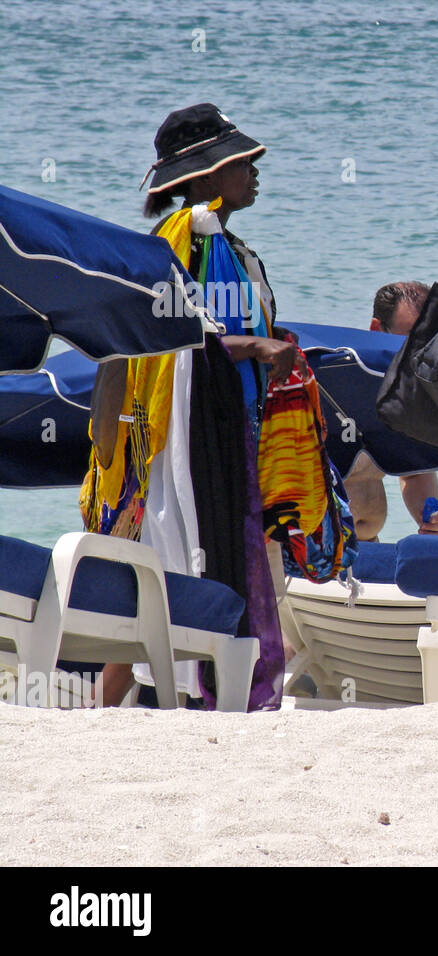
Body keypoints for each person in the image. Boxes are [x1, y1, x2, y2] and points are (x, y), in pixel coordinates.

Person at [84, 103, 299, 709]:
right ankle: (188, 701)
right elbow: (175, 339)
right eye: (242, 162)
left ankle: (137, 707)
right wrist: (255, 345)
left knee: (157, 576)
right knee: (174, 570)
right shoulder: (183, 242)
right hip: (184, 444)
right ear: (204, 178)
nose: (255, 169)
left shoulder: (222, 246)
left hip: (220, 434)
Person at [345, 281, 438, 540]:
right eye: (409, 340)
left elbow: (413, 473)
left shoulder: (405, 394)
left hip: (371, 543)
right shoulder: (339, 384)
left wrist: (428, 521)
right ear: (376, 329)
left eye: (427, 341)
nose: (419, 353)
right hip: (322, 554)